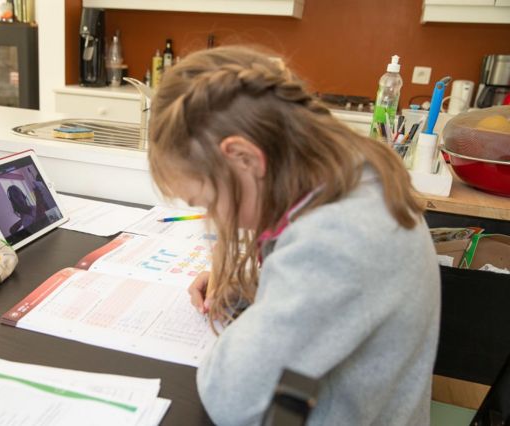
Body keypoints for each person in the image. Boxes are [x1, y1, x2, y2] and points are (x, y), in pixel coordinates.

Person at [147, 46, 440, 425]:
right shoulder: (347, 172)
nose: (213, 217)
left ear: (245, 158)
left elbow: (231, 395)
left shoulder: (339, 240)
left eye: (207, 200)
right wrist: (247, 284)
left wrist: (241, 291)